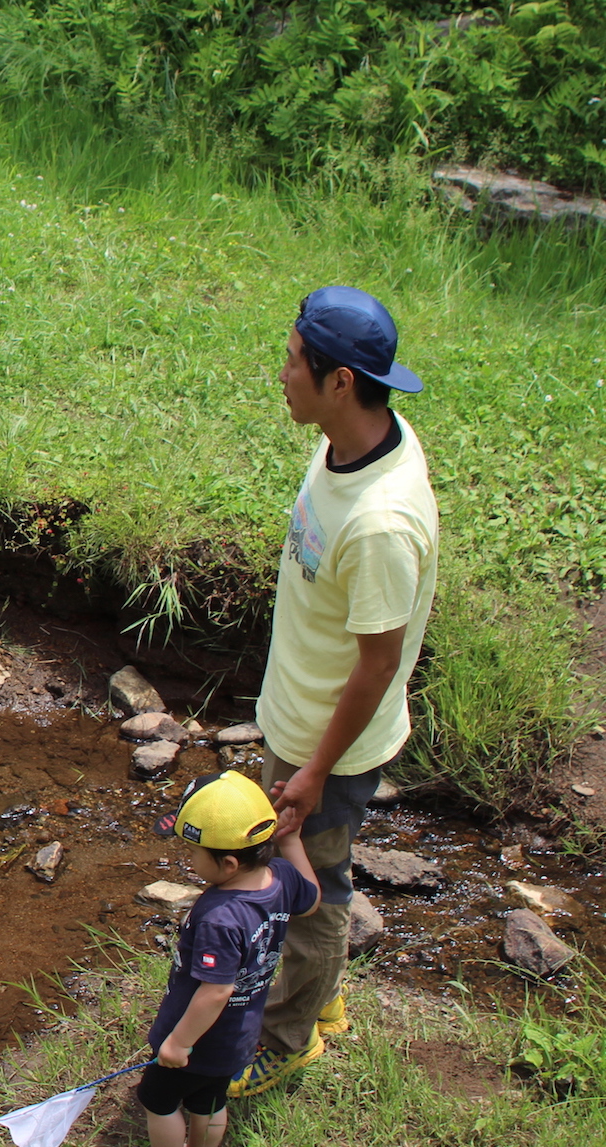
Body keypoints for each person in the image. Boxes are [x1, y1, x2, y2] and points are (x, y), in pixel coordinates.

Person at [230, 286, 438, 1098]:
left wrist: (314, 773)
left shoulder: (383, 523)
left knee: (311, 892)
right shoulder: (349, 440)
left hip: (330, 743)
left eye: (292, 362)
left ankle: (287, 1041)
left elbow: (379, 666)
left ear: (341, 380)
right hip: (299, 715)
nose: (281, 374)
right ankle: (322, 994)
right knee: (307, 877)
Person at [126, 771, 321, 1147]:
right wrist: (292, 839)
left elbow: (215, 990)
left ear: (228, 863)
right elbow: (312, 897)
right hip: (239, 1038)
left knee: (157, 1101)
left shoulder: (220, 915)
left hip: (198, 1039)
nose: (188, 860)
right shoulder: (281, 878)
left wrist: (177, 1043)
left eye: (193, 852)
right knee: (210, 1102)